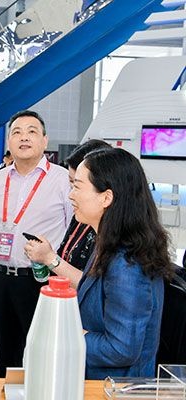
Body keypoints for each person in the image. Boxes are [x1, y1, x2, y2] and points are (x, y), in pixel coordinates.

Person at [69, 148, 172, 378]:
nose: (70, 195)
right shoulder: (106, 245)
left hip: (114, 387)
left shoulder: (127, 265)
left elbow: (120, 349)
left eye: (77, 186)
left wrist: (70, 336)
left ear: (106, 197)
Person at [0, 110, 73, 378]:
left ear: (45, 140)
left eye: (32, 131)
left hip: (42, 280)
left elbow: (73, 229)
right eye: (17, 132)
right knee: (5, 357)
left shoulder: (62, 179)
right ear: (9, 142)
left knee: (43, 358)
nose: (24, 137)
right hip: (1, 277)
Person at [23, 139, 112, 286]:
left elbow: (96, 288)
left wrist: (50, 258)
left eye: (77, 185)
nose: (71, 194)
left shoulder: (119, 241)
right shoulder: (81, 217)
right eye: (71, 182)